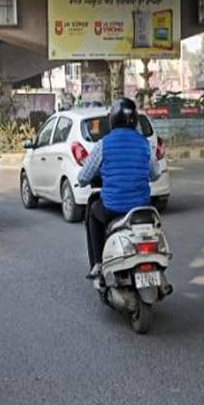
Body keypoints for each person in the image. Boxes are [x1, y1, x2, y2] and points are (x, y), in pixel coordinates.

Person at [77, 98, 163, 279]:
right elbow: (155, 174)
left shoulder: (104, 144)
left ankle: (98, 265)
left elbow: (83, 177)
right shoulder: (144, 143)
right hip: (141, 207)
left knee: (93, 212)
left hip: (113, 207)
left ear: (113, 119)